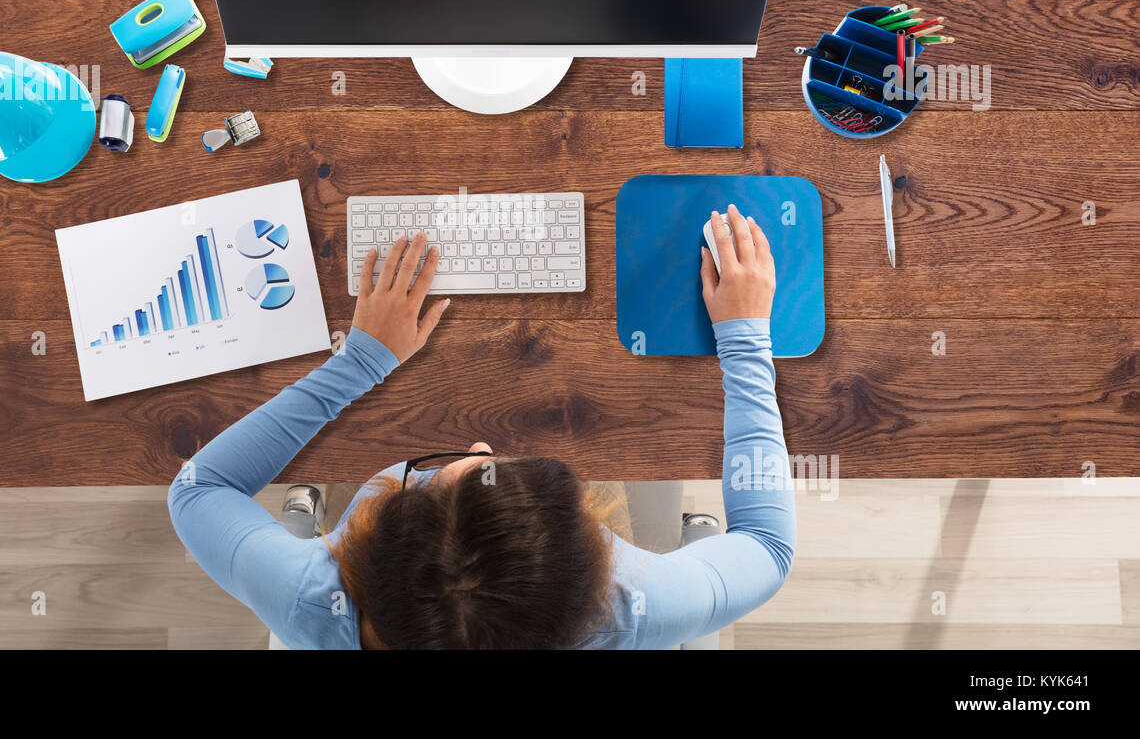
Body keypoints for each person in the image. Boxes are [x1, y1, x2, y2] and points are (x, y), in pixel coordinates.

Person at [168, 204, 795, 649]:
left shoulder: (313, 600)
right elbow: (767, 547)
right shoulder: (635, 608)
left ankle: (306, 511)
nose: (479, 444)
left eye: (436, 474)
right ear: (592, 557)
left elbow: (199, 487)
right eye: (491, 462)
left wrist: (361, 359)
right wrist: (745, 339)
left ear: (363, 552)